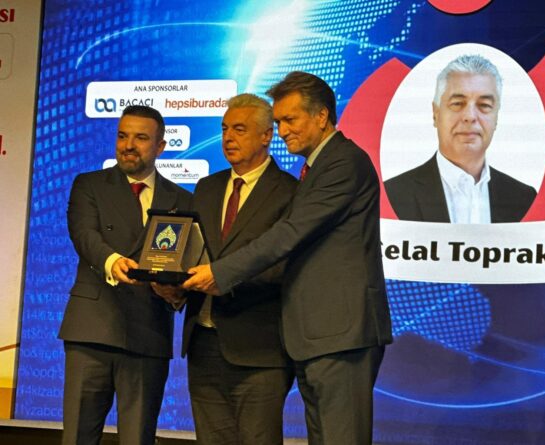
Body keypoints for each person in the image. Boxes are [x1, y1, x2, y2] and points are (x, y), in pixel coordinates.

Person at [182, 72, 393, 445]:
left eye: (290, 120)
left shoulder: (344, 162)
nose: (282, 131)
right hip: (316, 337)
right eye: (278, 122)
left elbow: (290, 232)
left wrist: (220, 273)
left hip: (340, 334)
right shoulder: (317, 167)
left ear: (322, 116)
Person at [156, 94, 297, 444]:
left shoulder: (290, 192)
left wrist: (222, 278)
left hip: (260, 348)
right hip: (203, 342)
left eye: (239, 129)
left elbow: (286, 265)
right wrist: (176, 285)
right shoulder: (207, 187)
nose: (228, 138)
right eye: (224, 129)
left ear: (266, 135)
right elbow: (195, 253)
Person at [58, 105, 192, 445]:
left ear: (161, 146)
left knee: (138, 438)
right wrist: (113, 261)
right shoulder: (89, 185)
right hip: (92, 330)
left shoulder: (183, 200)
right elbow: (84, 235)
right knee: (77, 437)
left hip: (149, 334)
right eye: (122, 136)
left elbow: (188, 264)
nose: (128, 145)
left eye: (140, 138)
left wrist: (177, 294)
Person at [384, 54, 537, 223]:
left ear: (496, 118)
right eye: (457, 103)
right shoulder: (392, 195)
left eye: (484, 105)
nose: (470, 116)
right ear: (436, 114)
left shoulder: (524, 199)